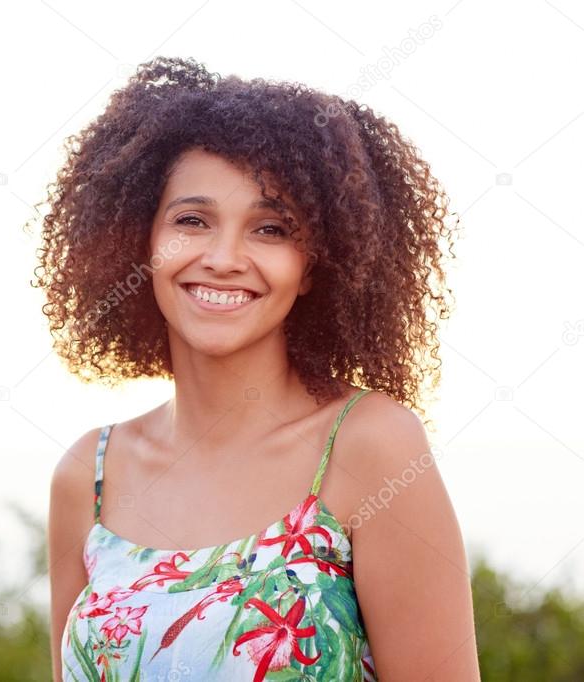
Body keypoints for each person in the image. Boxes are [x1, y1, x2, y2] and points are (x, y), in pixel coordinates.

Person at [33, 56, 480, 681]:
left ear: (316, 263)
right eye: (192, 221)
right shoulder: (89, 476)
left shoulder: (370, 447)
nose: (223, 257)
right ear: (138, 240)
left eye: (270, 229)